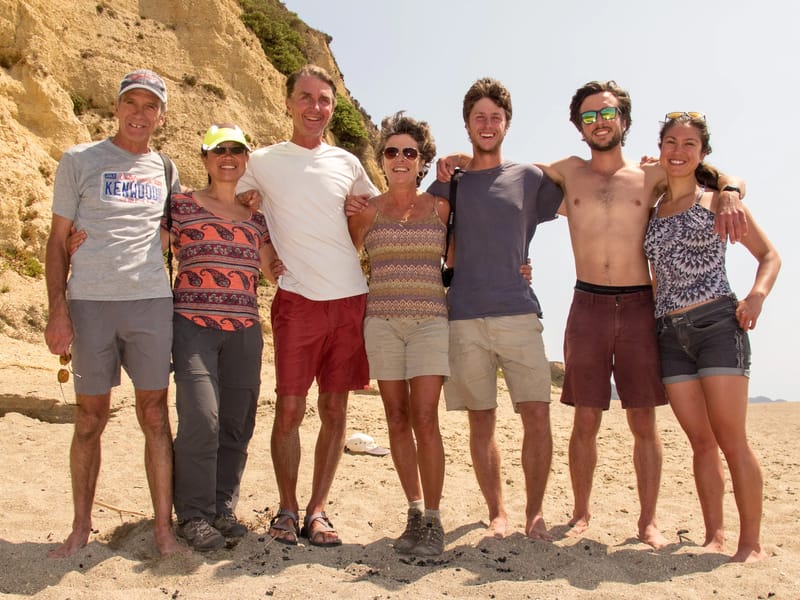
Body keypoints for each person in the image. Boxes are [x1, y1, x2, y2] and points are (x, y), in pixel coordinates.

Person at [438, 80, 746, 548]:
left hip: (641, 304)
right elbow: (497, 173)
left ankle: (647, 521)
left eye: (606, 113)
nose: (598, 122)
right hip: (587, 304)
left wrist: (729, 189)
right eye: (587, 116)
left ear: (623, 119)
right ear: (577, 126)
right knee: (585, 419)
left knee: (643, 420)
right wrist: (459, 158)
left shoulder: (654, 175)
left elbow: (708, 169)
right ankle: (580, 513)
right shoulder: (565, 172)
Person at [236, 64, 379, 547]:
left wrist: (359, 220)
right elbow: (234, 205)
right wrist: (263, 252)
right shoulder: (262, 160)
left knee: (335, 408)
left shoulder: (348, 163)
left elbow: (366, 230)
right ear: (288, 102)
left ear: (332, 107)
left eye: (324, 100)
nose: (315, 108)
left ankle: (318, 510)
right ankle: (286, 509)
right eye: (306, 97)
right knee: (290, 410)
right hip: (296, 299)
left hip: (349, 299)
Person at [44, 69, 183, 557]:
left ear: (161, 117)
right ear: (116, 108)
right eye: (132, 103)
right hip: (89, 303)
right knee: (89, 418)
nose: (139, 114)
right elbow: (57, 241)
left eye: (150, 106)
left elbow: (171, 232)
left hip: (149, 303)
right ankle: (81, 526)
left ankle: (164, 532)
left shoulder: (166, 169)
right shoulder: (79, 159)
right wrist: (57, 309)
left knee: (154, 416)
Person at [428, 78, 563, 541]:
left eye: (495, 117)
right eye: (479, 117)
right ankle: (497, 512)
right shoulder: (451, 181)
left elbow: (583, 193)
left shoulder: (528, 177)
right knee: (481, 419)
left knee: (536, 415)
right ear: (466, 124)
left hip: (518, 311)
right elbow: (418, 222)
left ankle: (535, 513)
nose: (487, 124)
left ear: (507, 123)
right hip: (463, 313)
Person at [644, 113, 779, 563]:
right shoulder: (653, 208)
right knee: (700, 442)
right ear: (660, 147)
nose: (678, 151)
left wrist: (757, 297)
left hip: (718, 325)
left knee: (730, 439)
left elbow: (769, 256)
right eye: (670, 142)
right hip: (669, 334)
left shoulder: (718, 203)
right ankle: (715, 536)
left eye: (689, 144)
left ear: (702, 154)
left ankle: (751, 544)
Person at [168, 124, 277, 551]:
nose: (228, 156)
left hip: (245, 330)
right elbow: (147, 243)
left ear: (246, 159)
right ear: (205, 158)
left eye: (236, 149)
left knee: (236, 423)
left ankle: (221, 508)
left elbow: (273, 269)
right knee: (202, 418)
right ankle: (192, 515)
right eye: (219, 150)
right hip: (193, 325)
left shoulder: (257, 219)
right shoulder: (181, 205)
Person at [346, 112, 449, 556]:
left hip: (431, 322)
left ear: (423, 160)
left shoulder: (443, 208)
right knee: (395, 419)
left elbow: (468, 256)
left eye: (410, 152)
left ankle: (435, 518)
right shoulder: (366, 211)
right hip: (382, 322)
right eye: (392, 151)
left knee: (425, 418)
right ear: (382, 159)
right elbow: (342, 258)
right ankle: (412, 509)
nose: (401, 158)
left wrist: (520, 267)